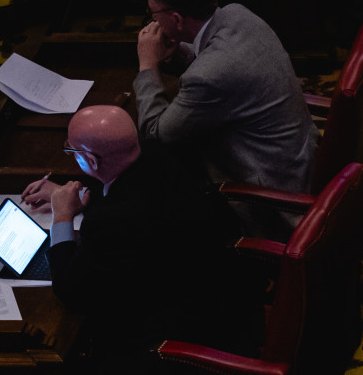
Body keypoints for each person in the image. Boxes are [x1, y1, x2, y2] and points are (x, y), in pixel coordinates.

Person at [18, 105, 253, 359]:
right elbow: (120, 189)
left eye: (72, 151)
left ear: (92, 160)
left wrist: (62, 216)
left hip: (185, 328)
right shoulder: (156, 153)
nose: (71, 156)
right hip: (221, 286)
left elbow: (71, 290)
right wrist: (72, 195)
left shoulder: (110, 222)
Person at [134, 0, 316, 214]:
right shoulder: (238, 14)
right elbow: (222, 58)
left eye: (153, 14)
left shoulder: (207, 78)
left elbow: (155, 133)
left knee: (153, 168)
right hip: (297, 157)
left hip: (268, 190)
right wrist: (180, 56)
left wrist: (148, 66)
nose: (151, 21)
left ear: (176, 18)